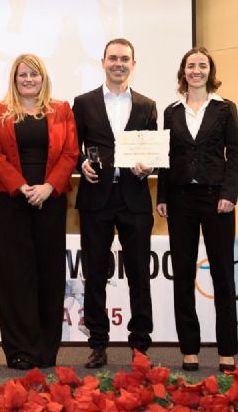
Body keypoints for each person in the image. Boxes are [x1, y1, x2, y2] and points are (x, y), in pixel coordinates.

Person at [0, 54, 78, 370]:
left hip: (50, 199)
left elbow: (70, 153)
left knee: (49, 274)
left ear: (43, 78)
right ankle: (19, 350)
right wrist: (23, 187)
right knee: (15, 276)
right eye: (23, 74)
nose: (28, 79)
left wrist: (48, 187)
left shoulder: (62, 110)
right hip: (12, 200)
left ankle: (46, 349)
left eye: (34, 75)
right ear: (14, 78)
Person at [157, 47, 238, 373]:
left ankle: (227, 351)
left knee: (223, 276)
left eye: (202, 65)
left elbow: (235, 155)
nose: (196, 70)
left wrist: (229, 194)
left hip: (217, 200)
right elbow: (166, 158)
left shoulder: (225, 108)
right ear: (183, 71)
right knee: (183, 275)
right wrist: (162, 196)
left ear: (210, 71)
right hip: (180, 201)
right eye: (191, 65)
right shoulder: (171, 111)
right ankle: (189, 349)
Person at [73, 38, 157, 369]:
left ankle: (140, 346)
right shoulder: (83, 102)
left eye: (125, 59)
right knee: (94, 274)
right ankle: (97, 343)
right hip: (96, 199)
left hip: (135, 199)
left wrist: (148, 164)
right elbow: (72, 148)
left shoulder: (148, 105)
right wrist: (81, 163)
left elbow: (153, 150)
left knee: (139, 273)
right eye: (113, 58)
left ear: (133, 64)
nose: (118, 63)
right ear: (103, 62)